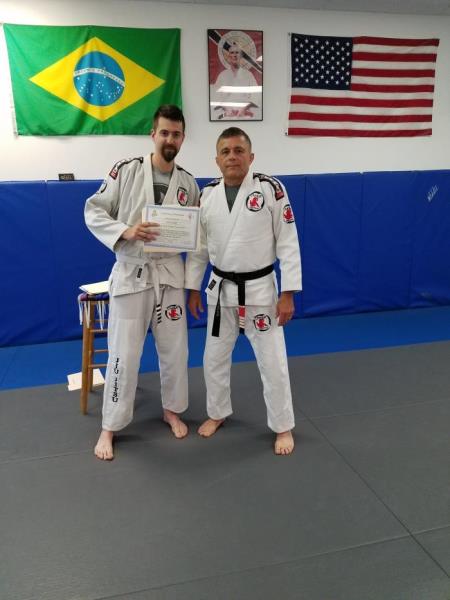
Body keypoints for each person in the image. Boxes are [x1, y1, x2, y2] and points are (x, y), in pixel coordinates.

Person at [85, 105, 200, 460]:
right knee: (124, 352)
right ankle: (110, 425)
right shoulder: (126, 170)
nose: (170, 139)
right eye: (164, 132)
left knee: (175, 350)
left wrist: (194, 286)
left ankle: (172, 410)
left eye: (176, 134)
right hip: (132, 273)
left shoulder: (189, 183)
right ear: (153, 134)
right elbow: (93, 210)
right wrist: (126, 231)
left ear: (183, 138)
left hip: (170, 276)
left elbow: (197, 238)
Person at [185, 127, 302, 455]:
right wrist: (192, 288)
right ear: (217, 160)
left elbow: (288, 242)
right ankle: (217, 412)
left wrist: (288, 293)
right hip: (220, 291)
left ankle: (282, 426)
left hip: (260, 292)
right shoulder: (207, 195)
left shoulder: (270, 190)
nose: (232, 157)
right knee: (213, 358)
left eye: (238, 151)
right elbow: (199, 248)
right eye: (225, 152)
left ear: (251, 157)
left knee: (272, 362)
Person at [211, 44, 261, 120]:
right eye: (232, 52)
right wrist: (226, 108)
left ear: (241, 56)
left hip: (245, 113)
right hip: (227, 114)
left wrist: (244, 108)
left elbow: (256, 95)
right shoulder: (222, 75)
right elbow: (216, 96)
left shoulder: (248, 75)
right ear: (228, 56)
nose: (234, 55)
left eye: (237, 52)